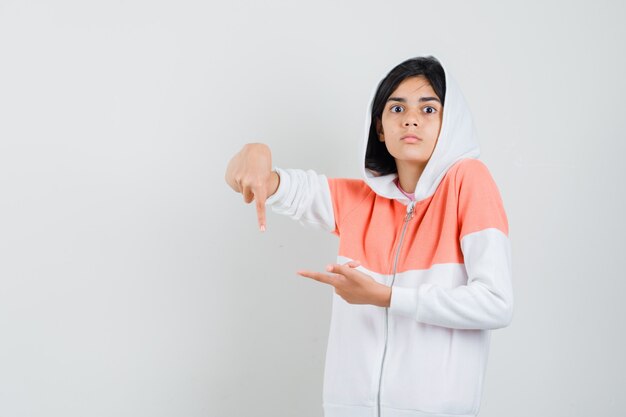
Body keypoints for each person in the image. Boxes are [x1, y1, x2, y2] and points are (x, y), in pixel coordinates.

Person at [225, 56, 513, 417]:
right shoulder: (358, 201)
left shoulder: (468, 181)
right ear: (379, 127)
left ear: (449, 122)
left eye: (428, 109)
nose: (411, 118)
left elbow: (496, 302)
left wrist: (389, 297)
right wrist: (253, 154)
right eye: (397, 108)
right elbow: (263, 184)